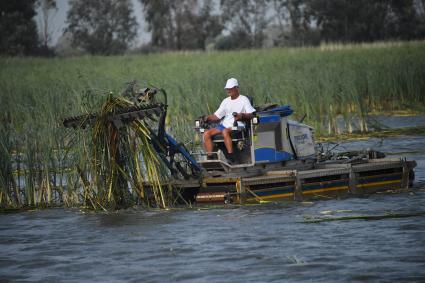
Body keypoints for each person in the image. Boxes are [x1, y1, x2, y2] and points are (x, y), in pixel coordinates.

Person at [202, 78, 255, 162]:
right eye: (227, 89)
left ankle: (231, 157)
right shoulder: (225, 101)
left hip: (238, 125)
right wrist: (207, 117)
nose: (228, 90)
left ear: (236, 88)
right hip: (224, 125)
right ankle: (211, 157)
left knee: (225, 131)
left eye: (230, 88)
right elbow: (217, 116)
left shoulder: (244, 99)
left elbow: (251, 115)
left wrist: (241, 115)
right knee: (206, 133)